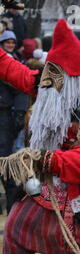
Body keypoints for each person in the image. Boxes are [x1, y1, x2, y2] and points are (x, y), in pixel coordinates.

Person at [0, 19, 80, 254]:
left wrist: (51, 160)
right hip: (46, 189)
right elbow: (14, 72)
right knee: (13, 228)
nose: (49, 86)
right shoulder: (47, 89)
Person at [0, 29, 27, 214]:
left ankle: (11, 206)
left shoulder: (14, 63)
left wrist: (19, 112)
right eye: (6, 42)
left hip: (5, 115)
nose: (10, 44)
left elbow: (21, 87)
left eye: (12, 41)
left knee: (5, 158)